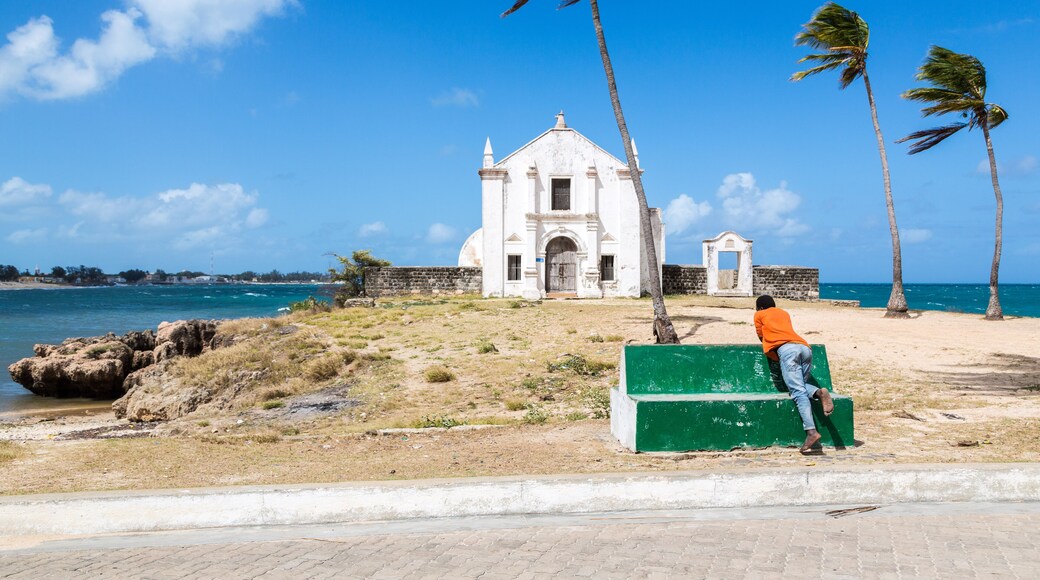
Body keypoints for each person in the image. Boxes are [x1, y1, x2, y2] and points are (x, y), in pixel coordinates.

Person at [754, 294, 834, 453]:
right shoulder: (783, 313)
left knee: (797, 392)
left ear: (760, 307)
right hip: (804, 347)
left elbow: (761, 335)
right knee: (801, 386)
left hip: (787, 351)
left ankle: (811, 432)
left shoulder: (759, 314)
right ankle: (818, 392)